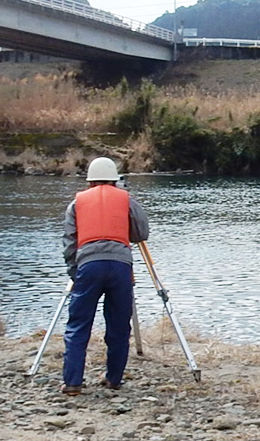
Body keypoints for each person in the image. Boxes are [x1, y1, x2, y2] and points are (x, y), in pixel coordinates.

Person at [61, 157, 149, 396]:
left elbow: (69, 244)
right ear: (115, 180)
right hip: (121, 266)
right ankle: (113, 379)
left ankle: (72, 383)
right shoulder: (127, 200)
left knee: (78, 325)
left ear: (89, 181)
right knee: (119, 326)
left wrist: (74, 272)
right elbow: (142, 233)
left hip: (88, 266)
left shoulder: (76, 204)